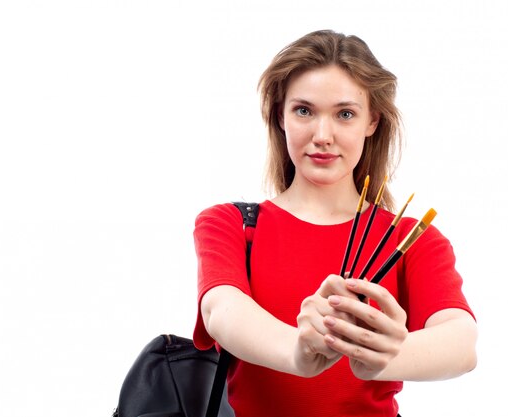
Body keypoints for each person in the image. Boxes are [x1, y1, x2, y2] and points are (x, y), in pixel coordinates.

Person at [193, 30, 477, 417]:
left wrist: (383, 353)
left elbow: (461, 342)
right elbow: (222, 313)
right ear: (280, 116)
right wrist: (300, 350)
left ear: (372, 121)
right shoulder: (230, 224)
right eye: (304, 111)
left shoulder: (410, 239)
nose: (322, 136)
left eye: (345, 114)